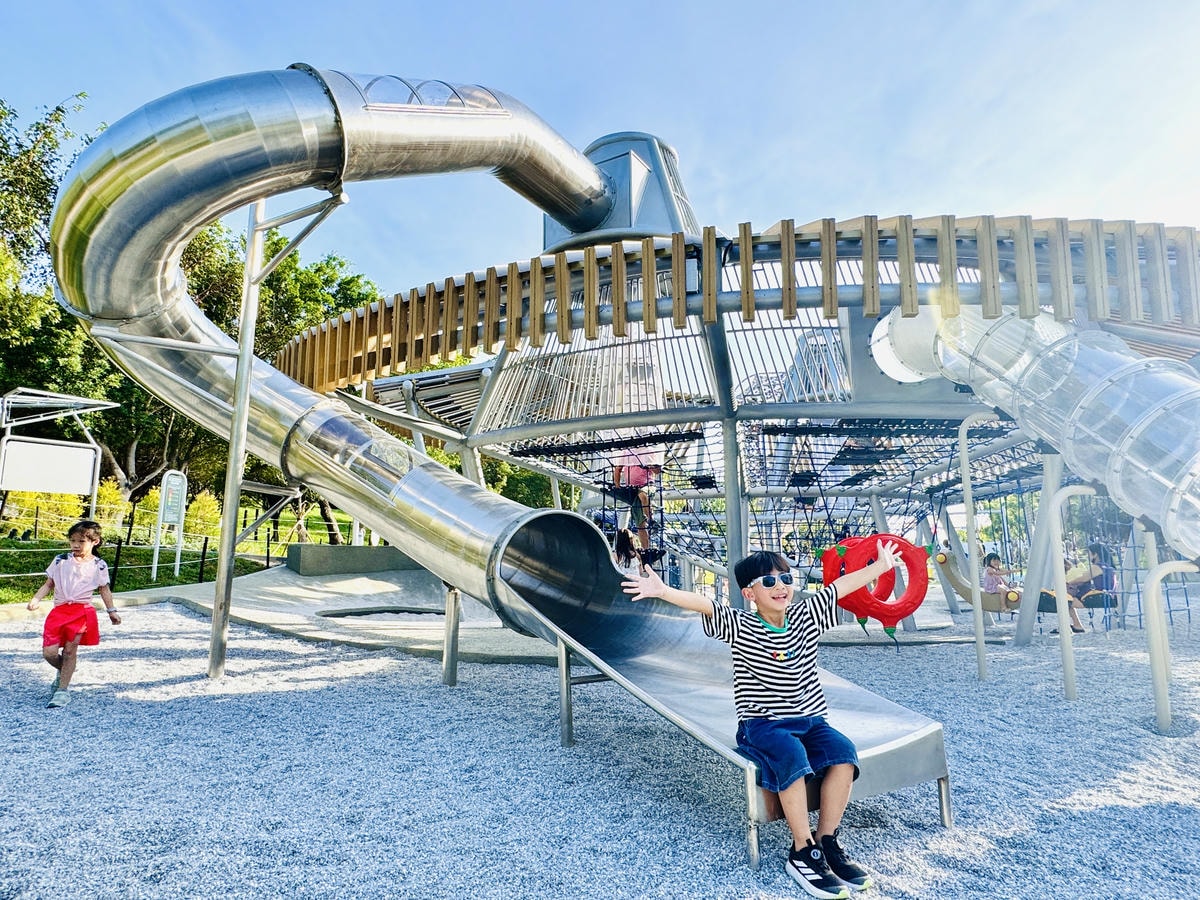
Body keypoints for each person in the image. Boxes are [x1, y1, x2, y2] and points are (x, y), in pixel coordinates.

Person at [623, 540, 903, 898]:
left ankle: (827, 840)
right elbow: (705, 604)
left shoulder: (806, 615)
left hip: (811, 719)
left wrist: (878, 569)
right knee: (792, 757)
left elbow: (840, 588)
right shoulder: (740, 625)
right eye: (768, 582)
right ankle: (803, 849)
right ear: (749, 593)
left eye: (785, 578)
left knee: (844, 754)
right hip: (763, 724)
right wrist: (662, 591)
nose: (780, 586)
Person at [26, 520, 121, 708]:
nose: (76, 545)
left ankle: (62, 691)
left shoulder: (99, 565)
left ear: (95, 542)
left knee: (70, 651)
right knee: (49, 652)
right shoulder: (61, 560)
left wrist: (112, 611)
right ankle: (64, 673)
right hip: (59, 611)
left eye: (81, 541)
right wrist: (36, 599)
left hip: (81, 612)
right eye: (72, 541)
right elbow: (49, 584)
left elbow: (104, 589)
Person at [1059, 543, 1115, 633]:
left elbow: (1083, 578)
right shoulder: (1108, 566)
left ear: (1095, 554)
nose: (1087, 555)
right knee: (1067, 598)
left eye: (1089, 553)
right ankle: (1077, 625)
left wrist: (1065, 583)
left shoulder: (1097, 566)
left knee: (1062, 600)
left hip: (1098, 596)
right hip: (1107, 596)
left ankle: (1074, 625)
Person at [611, 453, 660, 550]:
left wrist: (650, 465)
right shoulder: (625, 452)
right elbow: (618, 469)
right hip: (632, 489)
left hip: (647, 484)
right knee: (640, 523)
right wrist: (617, 486)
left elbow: (657, 471)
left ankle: (651, 520)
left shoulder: (649, 451)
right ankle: (646, 549)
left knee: (643, 494)